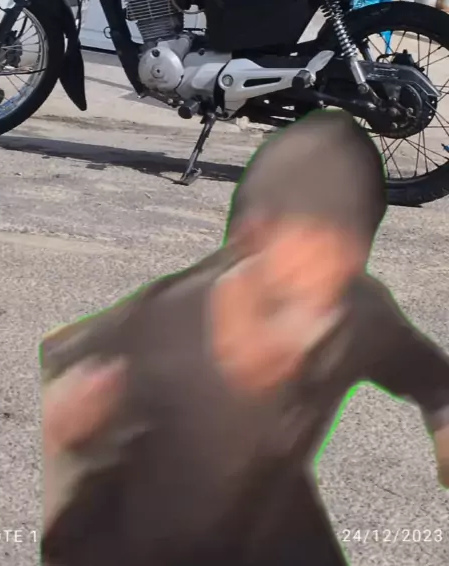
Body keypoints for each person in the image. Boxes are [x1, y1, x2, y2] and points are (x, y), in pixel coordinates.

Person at [41, 110, 449, 566]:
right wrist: (75, 420)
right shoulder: (166, 326)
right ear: (251, 235)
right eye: (298, 249)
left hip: (272, 515)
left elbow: (429, 375)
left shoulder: (357, 313)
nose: (314, 281)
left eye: (335, 262)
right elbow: (67, 361)